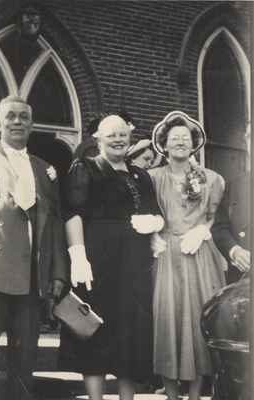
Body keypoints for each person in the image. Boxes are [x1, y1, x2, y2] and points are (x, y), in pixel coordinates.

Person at [59, 114, 164, 400]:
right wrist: (78, 255)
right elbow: (73, 213)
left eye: (122, 134)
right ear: (98, 139)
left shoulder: (141, 175)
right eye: (111, 135)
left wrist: (154, 225)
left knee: (131, 333)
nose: (118, 139)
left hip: (134, 265)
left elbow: (154, 212)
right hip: (98, 262)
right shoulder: (86, 168)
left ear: (130, 137)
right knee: (96, 331)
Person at [0, 95, 69, 399]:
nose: (18, 121)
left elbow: (55, 224)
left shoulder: (44, 169)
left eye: (24, 117)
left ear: (32, 124)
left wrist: (58, 274)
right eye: (11, 116)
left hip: (33, 278)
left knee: (25, 360)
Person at [149, 111, 227, 400]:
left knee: (198, 321)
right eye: (175, 138)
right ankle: (170, 394)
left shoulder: (211, 179)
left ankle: (195, 394)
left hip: (198, 256)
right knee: (167, 320)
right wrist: (153, 235)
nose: (181, 142)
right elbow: (145, 212)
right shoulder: (153, 177)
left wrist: (202, 231)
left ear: (194, 144)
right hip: (167, 255)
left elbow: (213, 218)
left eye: (186, 138)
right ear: (164, 144)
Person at [211, 126, 251, 283]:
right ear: (247, 143)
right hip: (242, 279)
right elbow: (219, 226)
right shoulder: (234, 186)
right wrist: (234, 250)